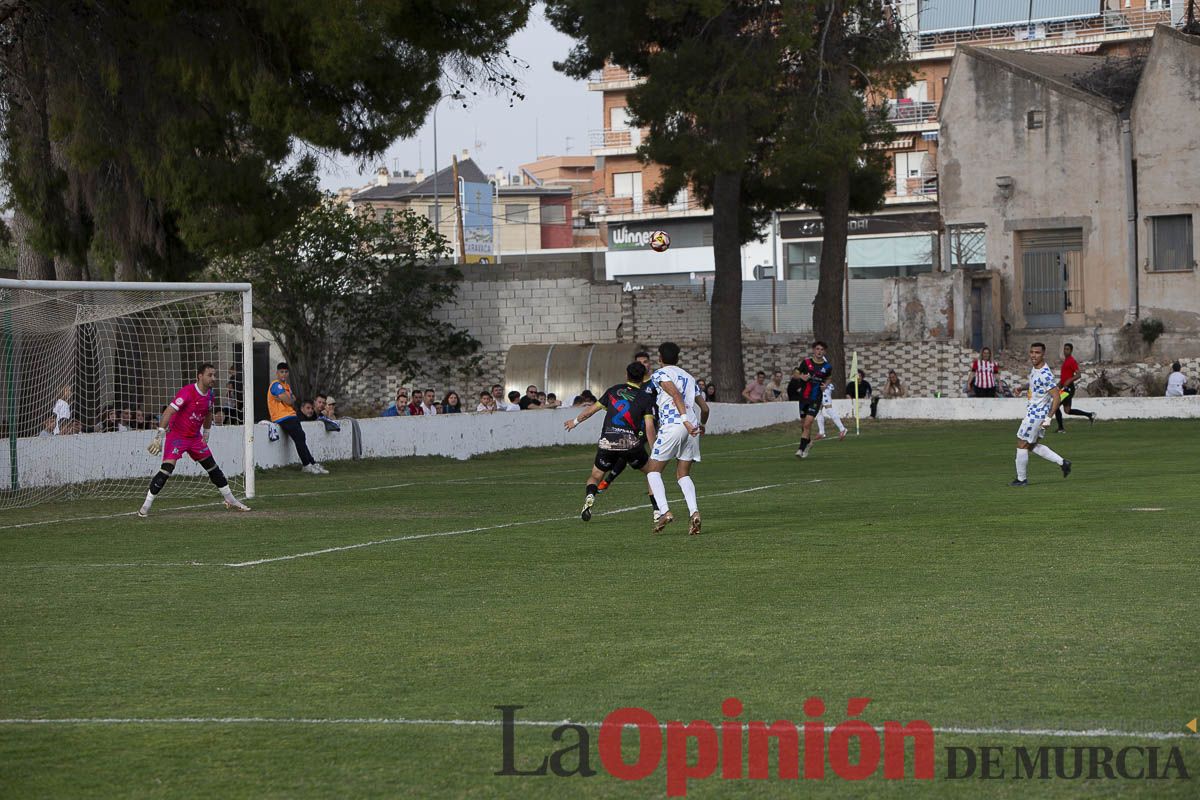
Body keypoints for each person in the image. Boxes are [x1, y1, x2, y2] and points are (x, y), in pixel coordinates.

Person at [138, 363, 251, 517]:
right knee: (167, 470)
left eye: (214, 375)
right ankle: (146, 505)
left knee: (212, 467)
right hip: (177, 436)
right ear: (200, 376)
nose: (213, 378)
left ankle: (230, 499)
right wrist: (159, 435)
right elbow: (168, 411)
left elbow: (208, 412)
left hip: (195, 438)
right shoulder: (187, 392)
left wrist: (207, 432)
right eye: (210, 375)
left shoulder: (210, 394)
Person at [565, 361, 658, 522]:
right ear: (643, 377)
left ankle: (590, 497)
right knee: (652, 472)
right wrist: (655, 449)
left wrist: (574, 422)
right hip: (630, 443)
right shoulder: (645, 398)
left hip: (608, 441)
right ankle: (657, 511)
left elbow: (591, 411)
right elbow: (649, 426)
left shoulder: (613, 391)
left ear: (626, 375)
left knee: (595, 475)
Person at [646, 342, 710, 535]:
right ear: (678, 358)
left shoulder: (659, 374)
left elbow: (675, 394)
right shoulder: (689, 377)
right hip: (692, 426)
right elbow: (705, 408)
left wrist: (683, 420)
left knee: (652, 471)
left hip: (676, 425)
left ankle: (664, 512)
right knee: (683, 474)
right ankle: (694, 512)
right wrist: (701, 424)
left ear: (660, 358)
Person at [1010, 343, 1071, 487]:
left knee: (1022, 443)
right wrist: (1022, 387)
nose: (1033, 355)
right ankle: (1063, 463)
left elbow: (1056, 396)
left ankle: (1021, 479)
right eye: (1031, 352)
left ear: (1043, 354)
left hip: (1037, 415)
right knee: (1031, 445)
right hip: (1033, 412)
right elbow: (1034, 384)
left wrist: (1049, 417)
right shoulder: (1035, 369)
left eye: (1037, 353)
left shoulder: (1045, 374)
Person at [268, 362, 328, 474]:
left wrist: (287, 398)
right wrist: (288, 398)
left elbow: (292, 399)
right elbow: (289, 400)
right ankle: (307, 464)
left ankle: (311, 463)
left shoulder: (286, 386)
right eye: (281, 372)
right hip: (282, 416)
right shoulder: (276, 385)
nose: (284, 374)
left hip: (290, 415)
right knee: (300, 437)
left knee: (301, 437)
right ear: (277, 373)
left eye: (286, 372)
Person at [793, 341, 833, 459]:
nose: (819, 351)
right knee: (804, 425)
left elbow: (829, 378)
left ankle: (800, 449)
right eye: (817, 349)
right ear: (813, 350)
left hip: (816, 398)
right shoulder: (806, 362)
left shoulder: (827, 366)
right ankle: (809, 443)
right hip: (804, 398)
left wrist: (825, 385)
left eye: (822, 349)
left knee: (808, 423)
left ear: (824, 352)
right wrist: (801, 376)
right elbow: (795, 374)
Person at [1054, 343, 1095, 432]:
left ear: (1071, 351)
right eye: (1064, 349)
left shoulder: (1072, 361)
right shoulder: (1066, 361)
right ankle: (1090, 415)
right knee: (1067, 411)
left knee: (1055, 406)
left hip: (1069, 388)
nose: (1065, 351)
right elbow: (1065, 376)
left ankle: (1061, 429)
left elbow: (1078, 374)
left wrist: (1069, 380)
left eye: (1067, 349)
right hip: (1064, 388)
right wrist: (1059, 384)